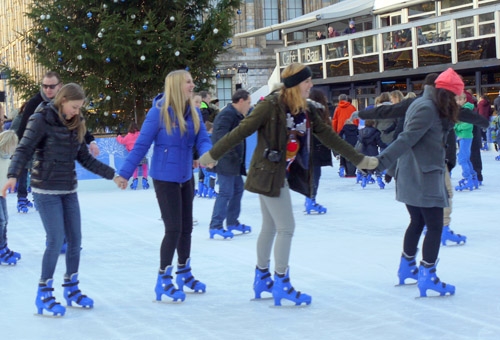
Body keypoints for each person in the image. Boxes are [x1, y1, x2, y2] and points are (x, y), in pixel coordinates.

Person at [199, 63, 378, 306]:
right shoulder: (269, 106)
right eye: (307, 82)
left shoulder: (306, 110)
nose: (311, 86)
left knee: (271, 226)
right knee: (286, 227)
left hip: (280, 172)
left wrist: (359, 160)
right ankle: (281, 282)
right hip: (268, 173)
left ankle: (262, 277)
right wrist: (212, 155)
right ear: (294, 85)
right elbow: (240, 132)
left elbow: (330, 137)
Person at [2, 83, 122, 316]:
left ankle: (71, 288)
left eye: (79, 108)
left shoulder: (75, 123)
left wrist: (113, 175)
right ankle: (44, 292)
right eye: (74, 107)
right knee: (55, 240)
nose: (76, 112)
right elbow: (24, 148)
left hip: (68, 189)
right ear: (63, 100)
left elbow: (86, 159)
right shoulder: (41, 118)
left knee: (75, 242)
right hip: (45, 190)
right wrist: (12, 175)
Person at [354, 73, 487, 247]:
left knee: (436, 197)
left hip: (434, 157)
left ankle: (433, 229)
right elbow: (389, 113)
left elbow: (464, 114)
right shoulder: (426, 105)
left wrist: (483, 122)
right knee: (442, 194)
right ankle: (440, 229)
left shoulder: (440, 105)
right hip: (425, 157)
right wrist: (362, 114)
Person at [115, 70, 212, 303]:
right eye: (188, 82)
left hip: (185, 175)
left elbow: (202, 139)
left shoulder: (195, 112)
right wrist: (125, 173)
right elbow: (141, 145)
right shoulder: (158, 113)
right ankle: (163, 278)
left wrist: (209, 153)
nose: (192, 85)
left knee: (187, 227)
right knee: (173, 228)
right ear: (177, 85)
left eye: (192, 81)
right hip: (164, 178)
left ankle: (184, 272)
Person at [374, 68, 463, 297]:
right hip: (422, 175)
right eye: (455, 96)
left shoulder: (425, 103)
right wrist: (381, 162)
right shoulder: (427, 108)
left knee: (417, 221)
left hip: (415, 173)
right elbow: (406, 138)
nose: (456, 101)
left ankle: (407, 267)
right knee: (434, 226)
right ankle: (428, 275)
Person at [14, 71, 100, 214]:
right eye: (45, 86)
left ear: (59, 86)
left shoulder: (67, 102)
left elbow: (78, 124)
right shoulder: (34, 103)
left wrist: (91, 141)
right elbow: (23, 130)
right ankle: (24, 197)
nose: (48, 90)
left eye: (52, 86)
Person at [209, 89, 252, 238]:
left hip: (233, 162)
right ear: (240, 101)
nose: (249, 106)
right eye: (248, 102)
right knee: (226, 192)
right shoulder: (227, 114)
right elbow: (220, 138)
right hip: (226, 161)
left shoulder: (236, 115)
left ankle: (232, 222)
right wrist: (231, 155)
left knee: (238, 189)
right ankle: (216, 225)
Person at [306, 88, 333, 213]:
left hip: (311, 148)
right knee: (315, 174)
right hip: (315, 148)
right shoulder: (317, 112)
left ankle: (310, 199)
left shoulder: (310, 111)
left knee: (314, 174)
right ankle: (310, 200)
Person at [0, 130, 20, 265]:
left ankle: (4, 247)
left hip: (1, 194)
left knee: (5, 220)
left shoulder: (7, 158)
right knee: (0, 222)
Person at [454, 92, 477, 191]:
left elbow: (467, 124)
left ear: (464, 100)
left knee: (462, 159)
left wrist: (457, 127)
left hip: (465, 136)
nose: (458, 102)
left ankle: (467, 178)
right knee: (466, 158)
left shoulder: (466, 110)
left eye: (460, 99)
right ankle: (473, 177)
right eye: (456, 100)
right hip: (463, 136)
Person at [117, 122, 149, 190]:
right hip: (141, 153)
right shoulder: (140, 135)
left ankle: (135, 181)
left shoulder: (128, 136)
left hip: (133, 154)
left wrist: (119, 136)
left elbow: (122, 141)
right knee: (145, 167)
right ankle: (145, 180)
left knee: (135, 168)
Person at [332, 94, 358, 177]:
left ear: (339, 100)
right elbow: (356, 118)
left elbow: (335, 120)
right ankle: (352, 168)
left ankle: (342, 165)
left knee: (343, 150)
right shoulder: (352, 107)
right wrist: (355, 127)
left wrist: (335, 131)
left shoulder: (338, 108)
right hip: (353, 130)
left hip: (341, 130)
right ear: (347, 99)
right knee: (353, 149)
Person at [357, 119, 387, 189]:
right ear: (373, 124)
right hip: (373, 150)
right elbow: (379, 143)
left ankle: (364, 179)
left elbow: (359, 141)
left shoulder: (361, 132)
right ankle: (379, 180)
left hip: (363, 150)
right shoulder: (375, 132)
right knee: (376, 165)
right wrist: (385, 146)